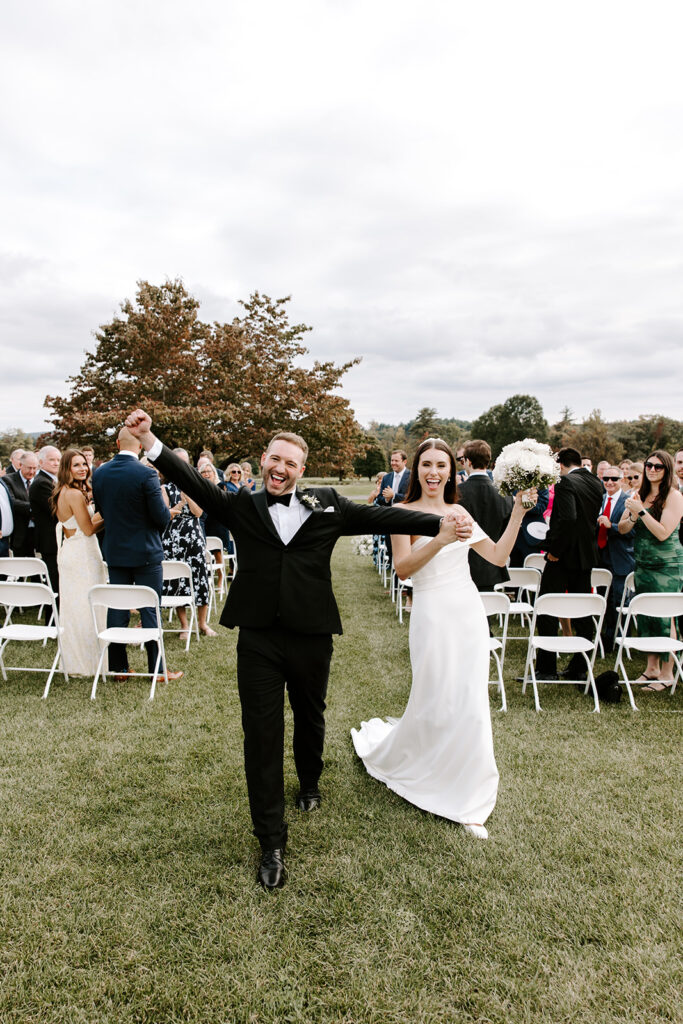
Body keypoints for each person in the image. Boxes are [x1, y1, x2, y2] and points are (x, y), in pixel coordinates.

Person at [124, 407, 472, 890]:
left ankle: (309, 780)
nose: (280, 468)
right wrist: (150, 441)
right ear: (263, 459)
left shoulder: (328, 503)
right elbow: (194, 483)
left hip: (312, 634)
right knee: (260, 734)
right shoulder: (241, 505)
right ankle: (271, 841)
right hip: (258, 639)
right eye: (275, 459)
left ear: (301, 469)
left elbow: (382, 515)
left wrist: (440, 524)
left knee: (310, 713)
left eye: (290, 462)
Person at [352, 438, 536, 840]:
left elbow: (498, 557)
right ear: (416, 470)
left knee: (470, 697)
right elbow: (403, 569)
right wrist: (441, 538)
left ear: (452, 471)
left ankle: (468, 792)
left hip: (467, 612)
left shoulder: (460, 510)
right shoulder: (402, 513)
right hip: (432, 612)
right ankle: (423, 766)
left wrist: (519, 513)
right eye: (427, 465)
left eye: (441, 465)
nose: (433, 472)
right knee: (435, 693)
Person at [92, 427, 183, 684]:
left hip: (115, 551)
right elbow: (161, 517)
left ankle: (119, 668)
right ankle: (157, 670)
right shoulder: (146, 473)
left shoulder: (100, 473)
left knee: (117, 608)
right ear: (141, 446)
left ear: (117, 443)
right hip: (146, 552)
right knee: (150, 608)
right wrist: (165, 515)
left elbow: (102, 510)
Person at [534, 447, 604, 681]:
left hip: (563, 556)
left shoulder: (565, 482)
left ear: (560, 464)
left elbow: (568, 518)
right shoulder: (595, 482)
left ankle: (546, 668)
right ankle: (580, 666)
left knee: (546, 608)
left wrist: (555, 550)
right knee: (582, 609)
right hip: (586, 555)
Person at [617, 450, 683, 690]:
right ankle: (651, 668)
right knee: (646, 616)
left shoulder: (673, 496)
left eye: (658, 466)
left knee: (666, 617)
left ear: (667, 470)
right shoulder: (639, 495)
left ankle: (667, 673)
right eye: (649, 465)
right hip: (643, 563)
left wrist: (641, 511)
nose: (652, 469)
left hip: (667, 565)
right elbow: (623, 528)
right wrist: (633, 515)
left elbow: (663, 533)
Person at [52, 450, 108, 675]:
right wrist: (110, 516)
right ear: (66, 469)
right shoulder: (74, 494)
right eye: (76, 465)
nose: (83, 468)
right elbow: (88, 529)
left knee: (76, 606)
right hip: (83, 555)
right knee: (87, 606)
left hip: (71, 551)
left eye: (84, 464)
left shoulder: (63, 492)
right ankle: (90, 663)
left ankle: (77, 661)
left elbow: (81, 523)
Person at [161, 449, 215, 639]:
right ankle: (184, 625)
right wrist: (180, 504)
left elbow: (199, 513)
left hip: (194, 537)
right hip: (173, 539)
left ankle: (202, 624)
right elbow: (165, 515)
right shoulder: (165, 488)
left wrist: (188, 495)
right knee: (178, 581)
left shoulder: (196, 485)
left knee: (200, 577)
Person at [457, 439, 513, 591]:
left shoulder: (457, 492)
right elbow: (507, 530)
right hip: (491, 565)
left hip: (462, 565)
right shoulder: (505, 494)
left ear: (468, 461)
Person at [596, 466, 634, 653]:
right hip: (600, 557)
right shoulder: (600, 500)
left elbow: (633, 532)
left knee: (619, 601)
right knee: (603, 599)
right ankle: (606, 637)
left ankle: (619, 640)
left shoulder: (629, 502)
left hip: (620, 557)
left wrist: (612, 526)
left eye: (614, 479)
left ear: (622, 480)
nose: (609, 482)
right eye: (606, 479)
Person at [29, 445, 61, 615]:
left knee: (59, 583)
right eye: (52, 460)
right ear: (41, 462)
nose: (56, 463)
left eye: (58, 460)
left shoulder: (52, 480)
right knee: (54, 584)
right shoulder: (42, 483)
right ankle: (53, 620)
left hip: (56, 539)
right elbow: (55, 510)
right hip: (50, 540)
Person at [2, 450, 38, 555]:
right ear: (21, 465)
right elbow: (12, 502)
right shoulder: (8, 480)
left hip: (39, 534)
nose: (32, 472)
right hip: (19, 535)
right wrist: (35, 509)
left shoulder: (39, 481)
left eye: (34, 468)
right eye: (29, 468)